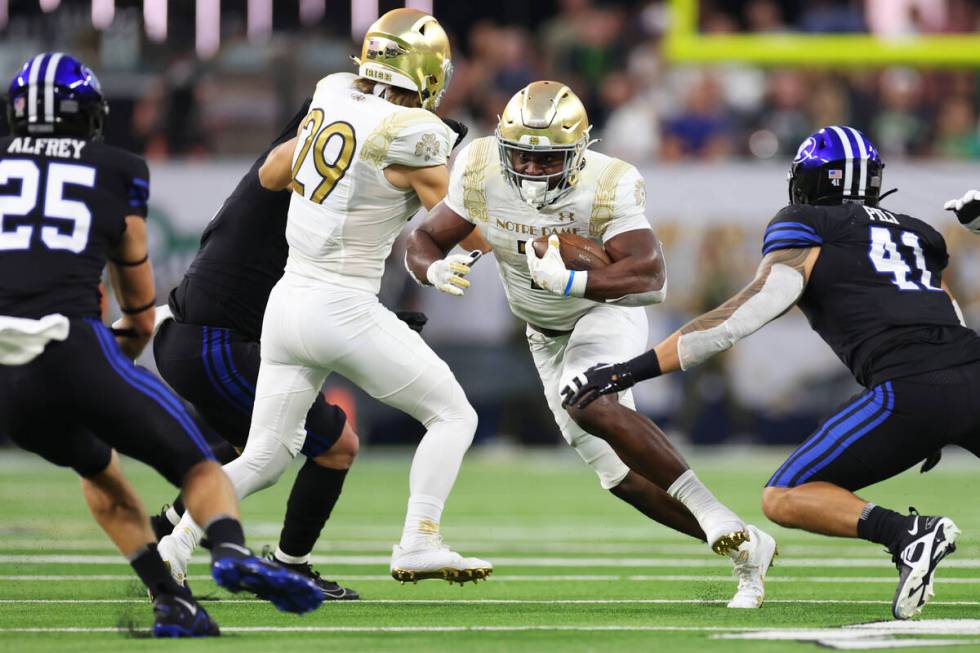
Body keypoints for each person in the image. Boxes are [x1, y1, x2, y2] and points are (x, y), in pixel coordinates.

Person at [563, 125, 977, 620]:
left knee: (783, 496)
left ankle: (905, 534)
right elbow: (948, 311)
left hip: (909, 388)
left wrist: (629, 371)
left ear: (812, 182)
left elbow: (744, 315)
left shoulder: (806, 223)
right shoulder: (915, 232)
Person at [406, 81, 776, 608]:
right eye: (522, 158)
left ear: (578, 152)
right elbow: (423, 239)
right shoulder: (481, 164)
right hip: (544, 332)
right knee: (621, 479)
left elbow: (651, 279)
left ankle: (711, 510)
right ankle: (748, 547)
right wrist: (432, 269)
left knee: (588, 397)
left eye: (548, 159)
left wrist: (573, 283)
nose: (531, 170)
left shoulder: (610, 181)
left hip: (603, 312)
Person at [157, 8, 492, 585]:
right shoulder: (416, 133)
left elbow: (276, 170)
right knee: (454, 415)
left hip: (286, 305)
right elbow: (457, 223)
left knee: (264, 455)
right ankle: (418, 541)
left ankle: (175, 547)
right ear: (431, 73)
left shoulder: (332, 94)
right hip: (342, 303)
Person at [0, 53, 322, 637]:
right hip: (70, 344)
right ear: (88, 116)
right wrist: (102, 375)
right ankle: (228, 552)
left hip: (5, 372)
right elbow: (139, 310)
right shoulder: (116, 168)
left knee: (99, 472)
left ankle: (171, 600)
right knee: (200, 466)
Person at [148, 98, 361, 600]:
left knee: (252, 445)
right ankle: (288, 563)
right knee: (333, 446)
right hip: (213, 342)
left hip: (200, 339)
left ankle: (170, 523)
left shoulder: (306, 194)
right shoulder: (282, 175)